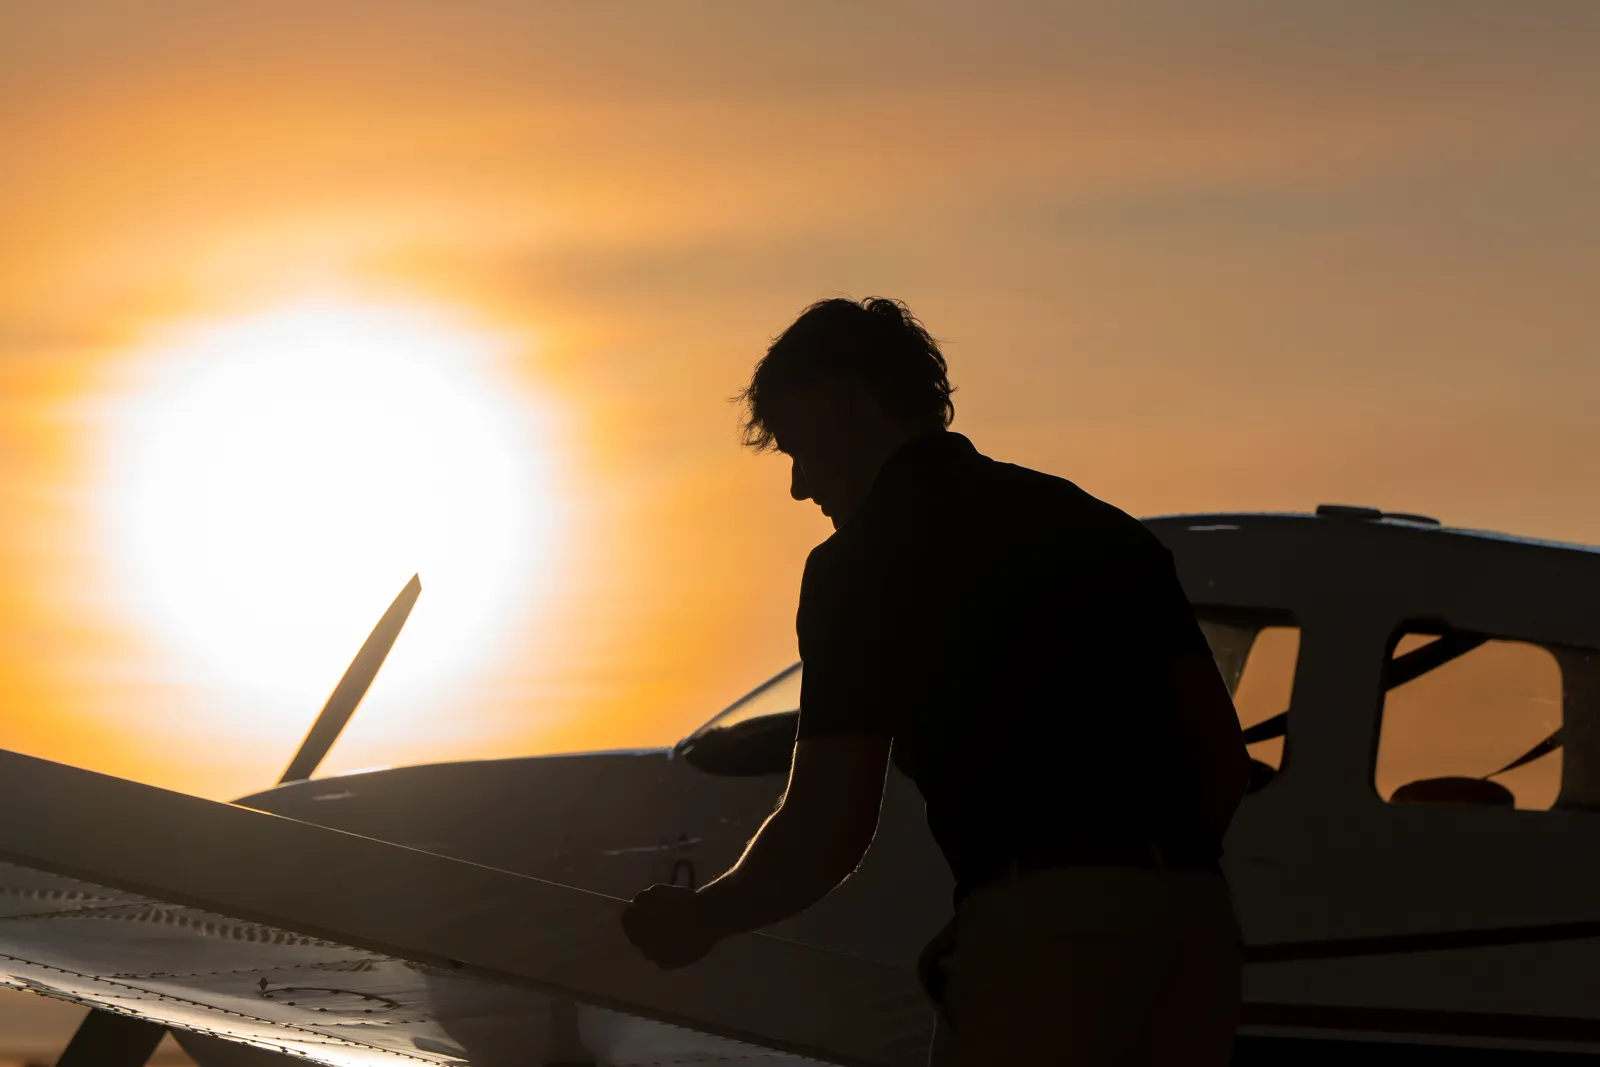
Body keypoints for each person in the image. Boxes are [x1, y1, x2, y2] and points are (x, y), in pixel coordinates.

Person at [622, 297, 1251, 1066]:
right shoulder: (1104, 529)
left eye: (797, 448)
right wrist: (1110, 895)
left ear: (847, 404)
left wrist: (702, 916)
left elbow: (828, 824)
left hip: (1045, 945)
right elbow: (1220, 759)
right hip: (1196, 933)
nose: (798, 486)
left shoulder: (859, 565)